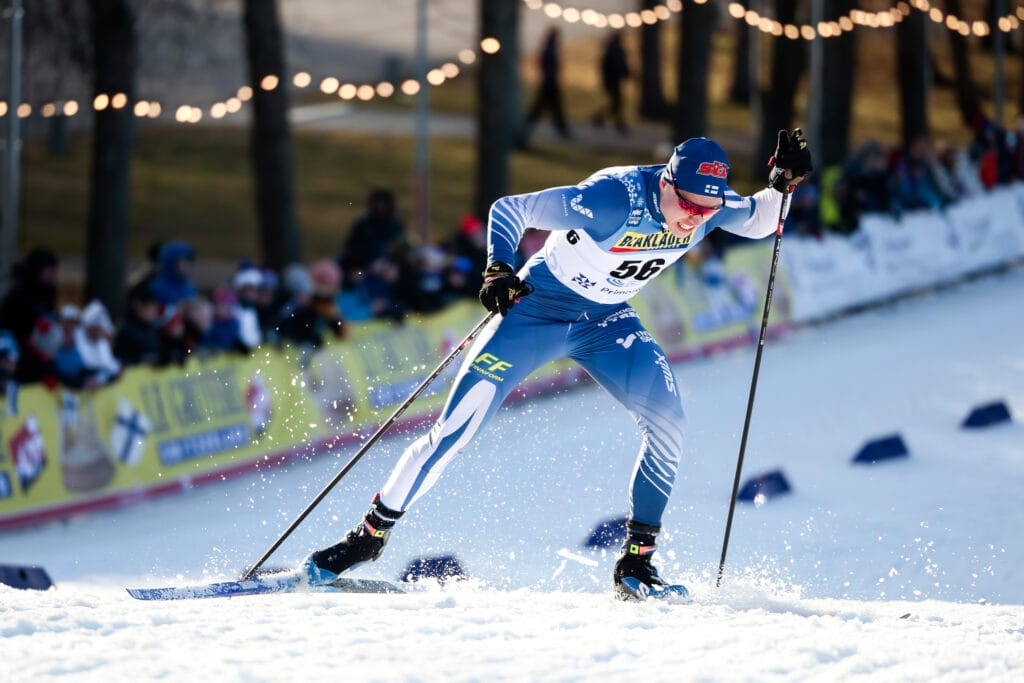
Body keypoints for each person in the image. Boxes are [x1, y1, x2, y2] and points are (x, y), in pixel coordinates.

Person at [300, 131, 813, 600]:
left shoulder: (707, 205)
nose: (695, 219)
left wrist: (781, 183)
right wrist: (498, 268)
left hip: (606, 320)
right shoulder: (612, 199)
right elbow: (512, 208)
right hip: (537, 311)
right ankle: (369, 537)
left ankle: (636, 563)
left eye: (707, 210)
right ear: (667, 181)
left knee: (669, 423)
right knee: (454, 431)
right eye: (689, 206)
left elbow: (759, 218)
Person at [525, 26, 570, 140]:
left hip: (548, 81)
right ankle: (562, 128)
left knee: (541, 107)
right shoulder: (550, 49)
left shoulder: (548, 48)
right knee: (552, 107)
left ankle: (527, 124)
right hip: (550, 82)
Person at [591, 31, 630, 135]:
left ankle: (601, 119)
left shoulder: (610, 49)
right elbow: (619, 65)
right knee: (617, 102)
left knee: (616, 102)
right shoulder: (616, 50)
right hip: (613, 80)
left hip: (611, 80)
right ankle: (616, 122)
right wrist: (626, 74)